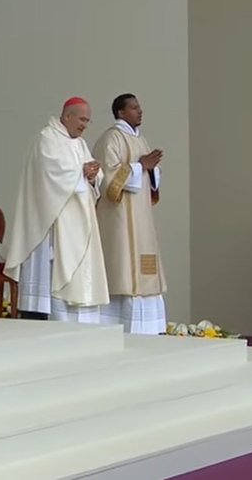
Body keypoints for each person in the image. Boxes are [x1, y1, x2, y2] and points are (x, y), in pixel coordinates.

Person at [3, 97, 109, 321]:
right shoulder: (47, 138)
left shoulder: (80, 143)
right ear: (67, 115)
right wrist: (81, 171)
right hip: (51, 222)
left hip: (77, 221)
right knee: (49, 275)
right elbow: (52, 174)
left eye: (88, 121)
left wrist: (92, 175)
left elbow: (95, 174)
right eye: (82, 119)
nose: (84, 125)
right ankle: (47, 314)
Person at [93, 94, 164, 334]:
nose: (140, 111)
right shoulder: (111, 138)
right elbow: (106, 179)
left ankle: (149, 328)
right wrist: (140, 166)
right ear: (121, 113)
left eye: (140, 107)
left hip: (141, 215)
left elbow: (150, 178)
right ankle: (118, 325)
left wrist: (152, 171)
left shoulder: (140, 139)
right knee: (123, 267)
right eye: (134, 107)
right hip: (120, 218)